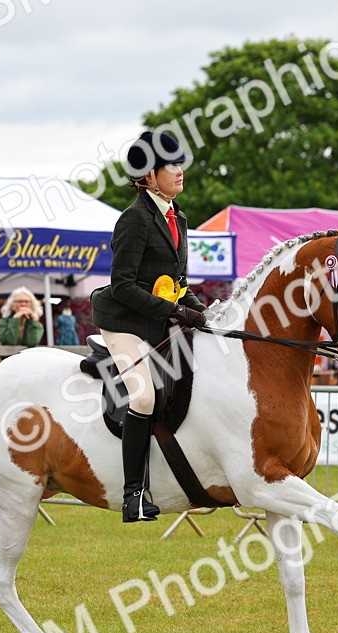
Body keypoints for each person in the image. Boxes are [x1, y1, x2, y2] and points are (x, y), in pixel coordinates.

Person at [90, 130, 207, 523]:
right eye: (171, 166)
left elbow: (178, 283)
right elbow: (122, 286)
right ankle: (133, 495)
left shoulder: (179, 217)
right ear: (148, 175)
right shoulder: (134, 219)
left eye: (180, 164)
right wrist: (171, 313)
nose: (180, 172)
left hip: (154, 319)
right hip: (123, 322)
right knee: (142, 397)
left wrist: (200, 310)